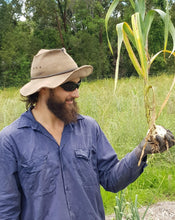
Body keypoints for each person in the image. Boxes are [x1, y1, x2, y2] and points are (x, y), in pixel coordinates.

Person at [0, 48, 174, 220]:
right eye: (69, 86)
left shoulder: (89, 128)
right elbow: (6, 209)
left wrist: (142, 151)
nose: (76, 93)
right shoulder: (11, 140)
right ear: (43, 89)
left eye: (78, 85)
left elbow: (112, 179)